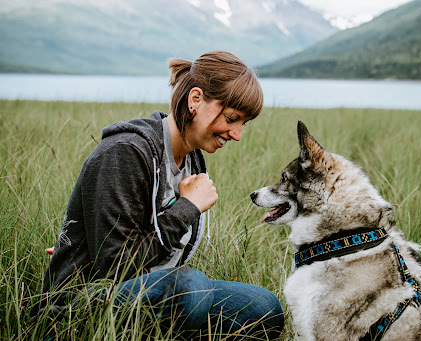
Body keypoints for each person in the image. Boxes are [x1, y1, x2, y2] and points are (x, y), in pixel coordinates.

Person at [32, 51, 284, 339]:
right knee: (190, 289)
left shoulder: (192, 160)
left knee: (264, 307)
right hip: (76, 311)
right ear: (196, 100)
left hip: (147, 299)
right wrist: (187, 207)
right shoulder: (125, 152)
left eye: (243, 124)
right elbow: (115, 267)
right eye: (231, 118)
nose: (237, 134)